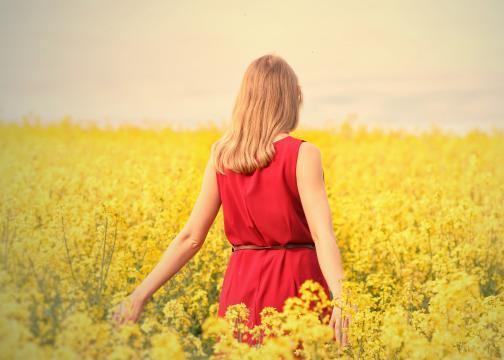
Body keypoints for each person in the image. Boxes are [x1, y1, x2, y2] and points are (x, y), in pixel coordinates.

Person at [112, 53, 350, 347]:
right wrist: (342, 297)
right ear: (291, 97)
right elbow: (321, 234)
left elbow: (190, 238)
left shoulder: (222, 157)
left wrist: (138, 295)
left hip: (241, 287)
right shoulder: (303, 153)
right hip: (296, 285)